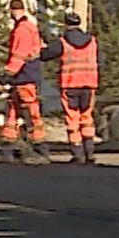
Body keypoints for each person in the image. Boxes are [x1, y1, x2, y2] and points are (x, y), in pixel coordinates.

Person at [38, 12, 100, 164]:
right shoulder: (93, 41)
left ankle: (78, 153)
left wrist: (42, 48)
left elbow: (45, 55)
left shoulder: (63, 42)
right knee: (87, 118)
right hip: (89, 84)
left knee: (73, 119)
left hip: (70, 85)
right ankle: (90, 152)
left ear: (66, 24)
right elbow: (101, 60)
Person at [0, 0, 50, 165]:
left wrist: (6, 75)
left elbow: (19, 56)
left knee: (30, 115)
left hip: (24, 77)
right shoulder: (30, 27)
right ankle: (7, 151)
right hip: (25, 77)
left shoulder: (21, 30)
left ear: (12, 11)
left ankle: (39, 151)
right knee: (12, 113)